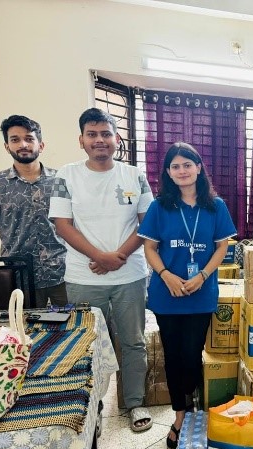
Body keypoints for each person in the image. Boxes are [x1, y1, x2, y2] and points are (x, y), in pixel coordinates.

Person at [49, 108, 153, 432]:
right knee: (86, 343)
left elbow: (149, 222)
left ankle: (135, 403)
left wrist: (117, 256)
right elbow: (62, 224)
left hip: (130, 274)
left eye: (106, 134)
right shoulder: (67, 175)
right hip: (84, 276)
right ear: (81, 140)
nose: (99, 140)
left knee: (133, 341)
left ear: (116, 139)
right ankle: (90, 409)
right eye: (92, 134)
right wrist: (100, 256)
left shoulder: (134, 175)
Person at [138, 142, 236, 449]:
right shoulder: (159, 206)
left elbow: (222, 246)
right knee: (173, 356)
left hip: (200, 292)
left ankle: (193, 410)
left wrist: (203, 275)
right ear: (168, 172)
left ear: (199, 168)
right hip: (168, 293)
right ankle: (179, 415)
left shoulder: (215, 206)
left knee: (192, 355)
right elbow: (149, 249)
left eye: (187, 164)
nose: (182, 171)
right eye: (175, 166)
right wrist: (166, 275)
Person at [0, 115, 67, 307]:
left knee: (75, 329)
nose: (23, 144)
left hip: (64, 274)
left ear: (41, 145)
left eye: (29, 138)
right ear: (7, 146)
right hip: (19, 278)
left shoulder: (62, 180)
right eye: (15, 139)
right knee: (26, 333)